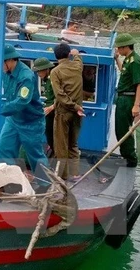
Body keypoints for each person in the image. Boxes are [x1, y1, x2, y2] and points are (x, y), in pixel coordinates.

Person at [0, 44, 48, 179]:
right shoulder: (6, 73)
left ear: (10, 60)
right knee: (4, 148)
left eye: (0, 62)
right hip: (13, 120)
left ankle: (46, 185)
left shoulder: (26, 76)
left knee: (35, 155)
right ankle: (14, 179)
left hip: (31, 122)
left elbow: (22, 101)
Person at [50, 43, 85, 181]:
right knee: (73, 143)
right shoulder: (77, 66)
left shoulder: (55, 72)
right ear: (68, 54)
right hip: (78, 113)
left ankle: (62, 175)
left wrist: (73, 106)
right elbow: (78, 58)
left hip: (63, 113)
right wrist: (75, 53)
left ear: (56, 56)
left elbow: (60, 95)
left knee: (61, 145)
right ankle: (75, 173)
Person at [113, 33, 140, 167]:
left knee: (125, 130)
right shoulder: (128, 59)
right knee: (120, 130)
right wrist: (116, 59)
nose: (118, 50)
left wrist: (136, 105)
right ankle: (125, 155)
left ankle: (131, 159)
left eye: (119, 48)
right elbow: (124, 72)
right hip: (122, 98)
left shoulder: (135, 61)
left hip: (128, 98)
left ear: (126, 47)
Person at [32, 58, 57, 156]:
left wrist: (51, 107)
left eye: (40, 70)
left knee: (51, 133)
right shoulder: (46, 80)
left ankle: (55, 151)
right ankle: (51, 146)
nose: (38, 73)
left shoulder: (52, 80)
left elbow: (60, 96)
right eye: (37, 71)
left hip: (53, 111)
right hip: (47, 110)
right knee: (48, 132)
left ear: (47, 69)